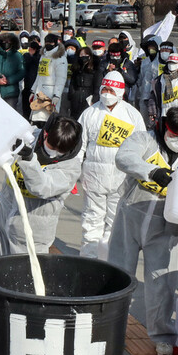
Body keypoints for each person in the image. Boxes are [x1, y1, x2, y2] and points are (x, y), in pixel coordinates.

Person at [108, 107, 178, 355]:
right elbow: (124, 157)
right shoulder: (146, 140)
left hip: (166, 229)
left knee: (162, 283)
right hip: (131, 217)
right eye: (175, 133)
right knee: (118, 275)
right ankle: (110, 328)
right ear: (165, 127)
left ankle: (163, 335)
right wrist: (151, 171)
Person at [0, 115, 84, 257]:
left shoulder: (70, 168)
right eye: (52, 145)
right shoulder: (28, 138)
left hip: (32, 230)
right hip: (4, 213)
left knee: (24, 274)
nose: (55, 152)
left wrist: (29, 160)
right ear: (46, 134)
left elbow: (41, 187)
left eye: (61, 150)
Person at [77, 72, 146, 259]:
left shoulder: (133, 115)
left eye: (111, 90)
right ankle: (89, 260)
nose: (107, 93)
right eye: (104, 89)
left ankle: (109, 260)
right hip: (93, 176)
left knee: (115, 222)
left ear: (120, 92)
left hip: (120, 178)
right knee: (91, 220)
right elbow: (79, 145)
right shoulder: (89, 113)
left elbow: (142, 147)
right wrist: (74, 171)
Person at [145, 53, 178, 127]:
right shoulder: (159, 79)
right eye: (170, 62)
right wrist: (152, 112)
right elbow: (153, 97)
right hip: (163, 115)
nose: (171, 65)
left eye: (174, 63)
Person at [30, 34, 68, 117]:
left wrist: (57, 95)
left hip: (50, 94)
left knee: (48, 119)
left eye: (50, 43)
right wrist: (33, 90)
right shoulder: (43, 55)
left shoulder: (60, 58)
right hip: (39, 93)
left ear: (55, 43)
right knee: (37, 119)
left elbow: (61, 78)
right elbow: (39, 75)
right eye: (46, 42)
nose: (48, 45)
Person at [0, 33, 25, 110]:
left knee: (10, 115)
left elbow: (21, 72)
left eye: (8, 41)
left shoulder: (18, 55)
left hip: (11, 92)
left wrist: (8, 80)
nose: (6, 43)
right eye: (3, 41)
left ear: (13, 42)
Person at [65, 46, 103, 119]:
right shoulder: (77, 68)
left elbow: (97, 85)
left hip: (88, 97)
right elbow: (72, 83)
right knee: (74, 117)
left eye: (86, 55)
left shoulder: (95, 69)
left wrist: (94, 99)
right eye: (81, 55)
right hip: (76, 97)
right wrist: (72, 94)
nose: (83, 57)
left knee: (87, 117)